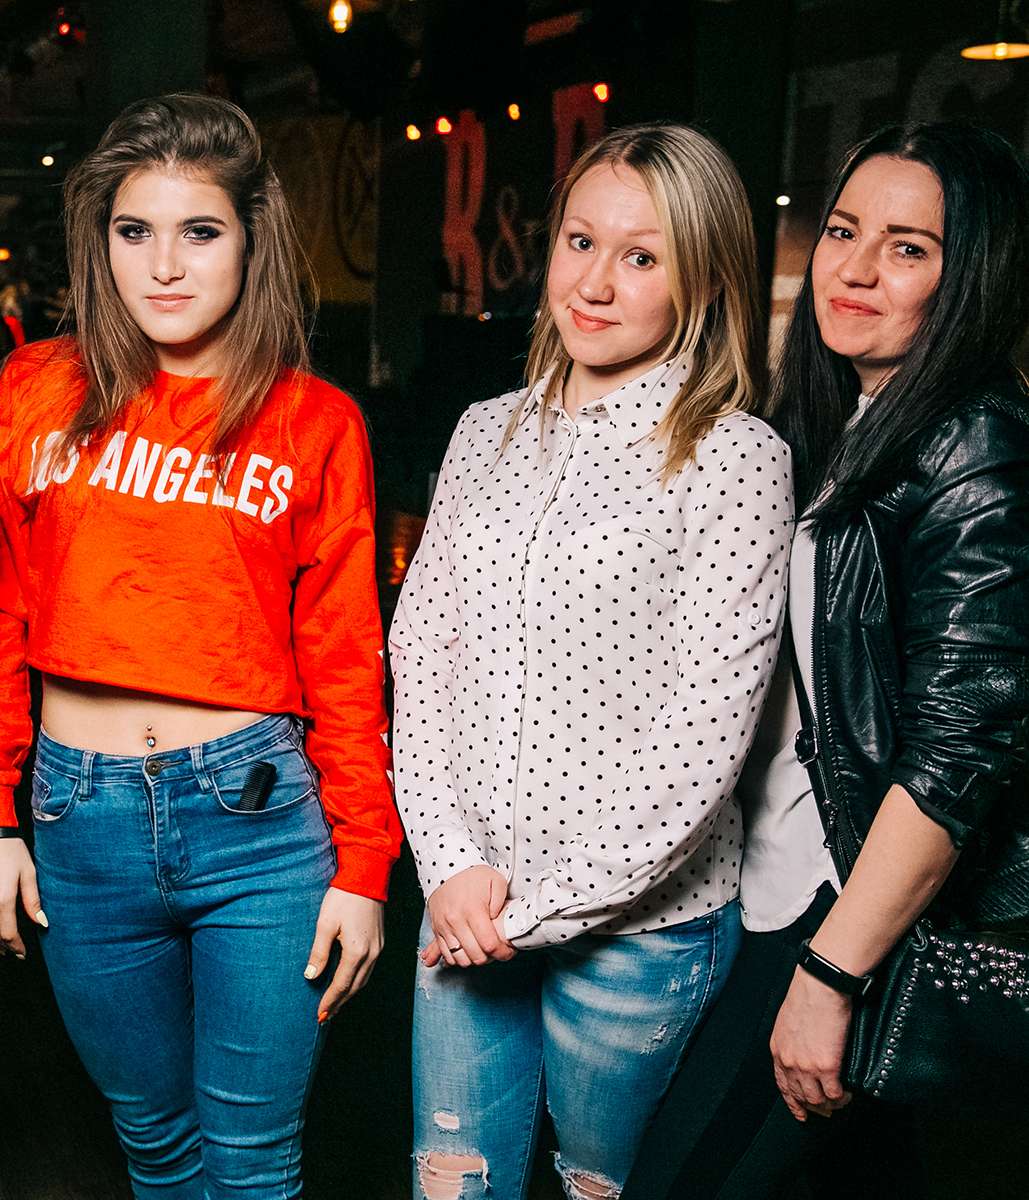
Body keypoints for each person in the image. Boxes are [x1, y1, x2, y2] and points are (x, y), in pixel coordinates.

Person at [625, 121, 1029, 1200]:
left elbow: (955, 762)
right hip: (779, 882)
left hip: (841, 908)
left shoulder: (981, 450)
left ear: (973, 276)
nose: (857, 268)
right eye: (842, 231)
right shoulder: (853, 419)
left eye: (909, 247)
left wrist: (831, 973)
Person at [0, 93, 401, 1198]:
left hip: (259, 821)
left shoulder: (314, 420)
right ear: (100, 241)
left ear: (251, 240)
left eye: (199, 231)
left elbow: (345, 655)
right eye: (134, 231)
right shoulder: (38, 389)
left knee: (252, 1158)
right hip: (79, 817)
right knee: (153, 1139)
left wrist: (364, 864)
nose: (163, 266)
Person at [388, 124, 792, 1200]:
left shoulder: (737, 459)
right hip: (468, 902)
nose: (596, 283)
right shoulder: (484, 430)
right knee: (451, 1183)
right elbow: (422, 655)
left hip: (638, 941)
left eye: (642, 256)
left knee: (598, 1191)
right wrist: (449, 866)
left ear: (702, 281)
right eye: (580, 241)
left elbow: (706, 738)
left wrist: (525, 918)